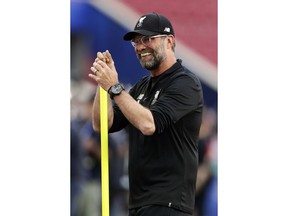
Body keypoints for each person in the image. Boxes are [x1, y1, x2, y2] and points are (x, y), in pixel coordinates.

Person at [88, 12, 204, 216]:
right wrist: (103, 84)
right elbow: (102, 124)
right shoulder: (142, 87)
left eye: (148, 39)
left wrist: (114, 87)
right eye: (136, 42)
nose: (140, 47)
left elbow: (149, 124)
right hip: (138, 202)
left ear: (169, 41)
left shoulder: (185, 83)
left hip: (169, 204)